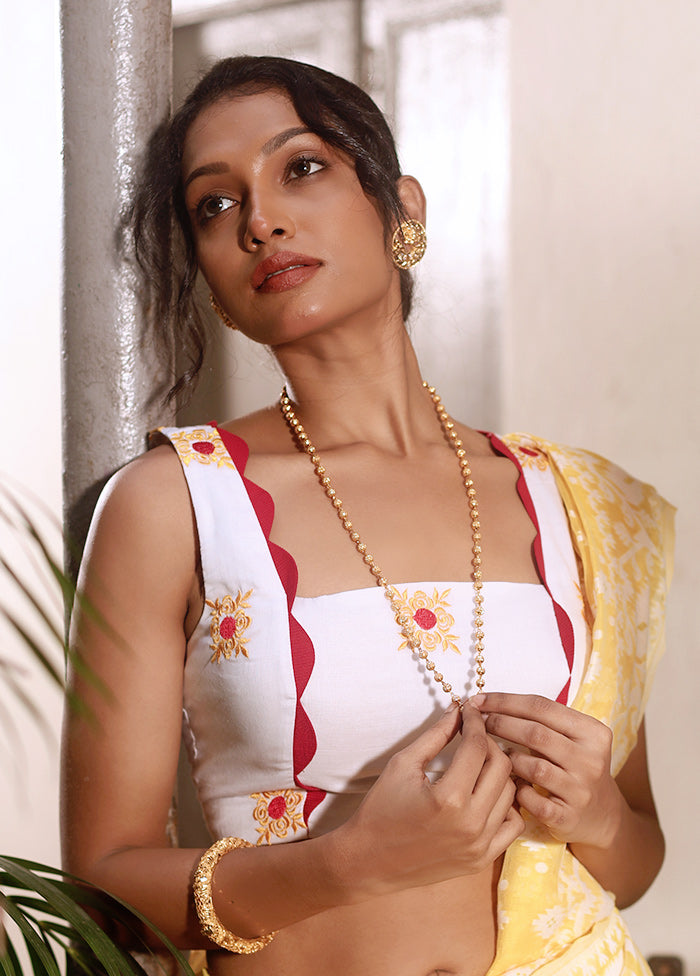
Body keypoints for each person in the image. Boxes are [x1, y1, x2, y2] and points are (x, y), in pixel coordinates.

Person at [61, 55, 674, 976]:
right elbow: (103, 883)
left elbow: (636, 861)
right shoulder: (176, 503)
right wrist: (349, 864)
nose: (260, 220)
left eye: (301, 167)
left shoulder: (575, 503)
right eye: (215, 205)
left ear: (401, 210)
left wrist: (596, 816)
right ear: (211, 278)